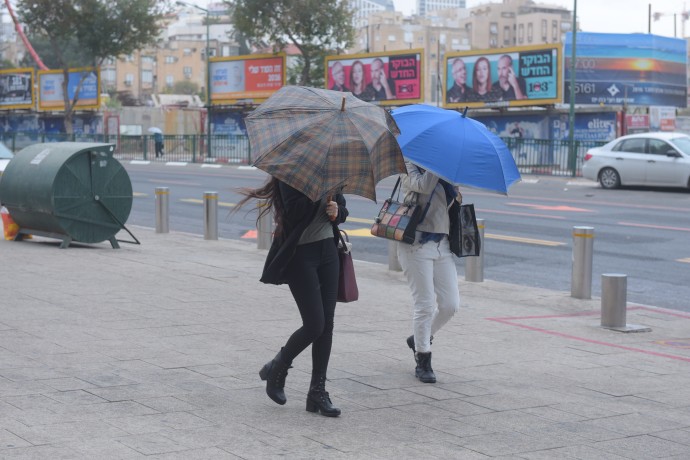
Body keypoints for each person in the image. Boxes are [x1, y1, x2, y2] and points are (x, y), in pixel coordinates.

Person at [233, 178, 349, 417]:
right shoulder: (292, 174)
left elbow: (343, 212)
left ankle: (317, 392)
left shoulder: (332, 174)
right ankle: (278, 366)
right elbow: (293, 212)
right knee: (314, 324)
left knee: (327, 325)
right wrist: (317, 191)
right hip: (300, 255)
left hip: (329, 252)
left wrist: (338, 211)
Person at [397, 162, 462, 384]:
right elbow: (423, 186)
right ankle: (422, 357)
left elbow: (452, 203)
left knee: (450, 304)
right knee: (424, 304)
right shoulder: (407, 164)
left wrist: (455, 191)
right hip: (415, 242)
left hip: (441, 242)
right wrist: (436, 164)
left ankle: (418, 338)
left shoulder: (446, 170)